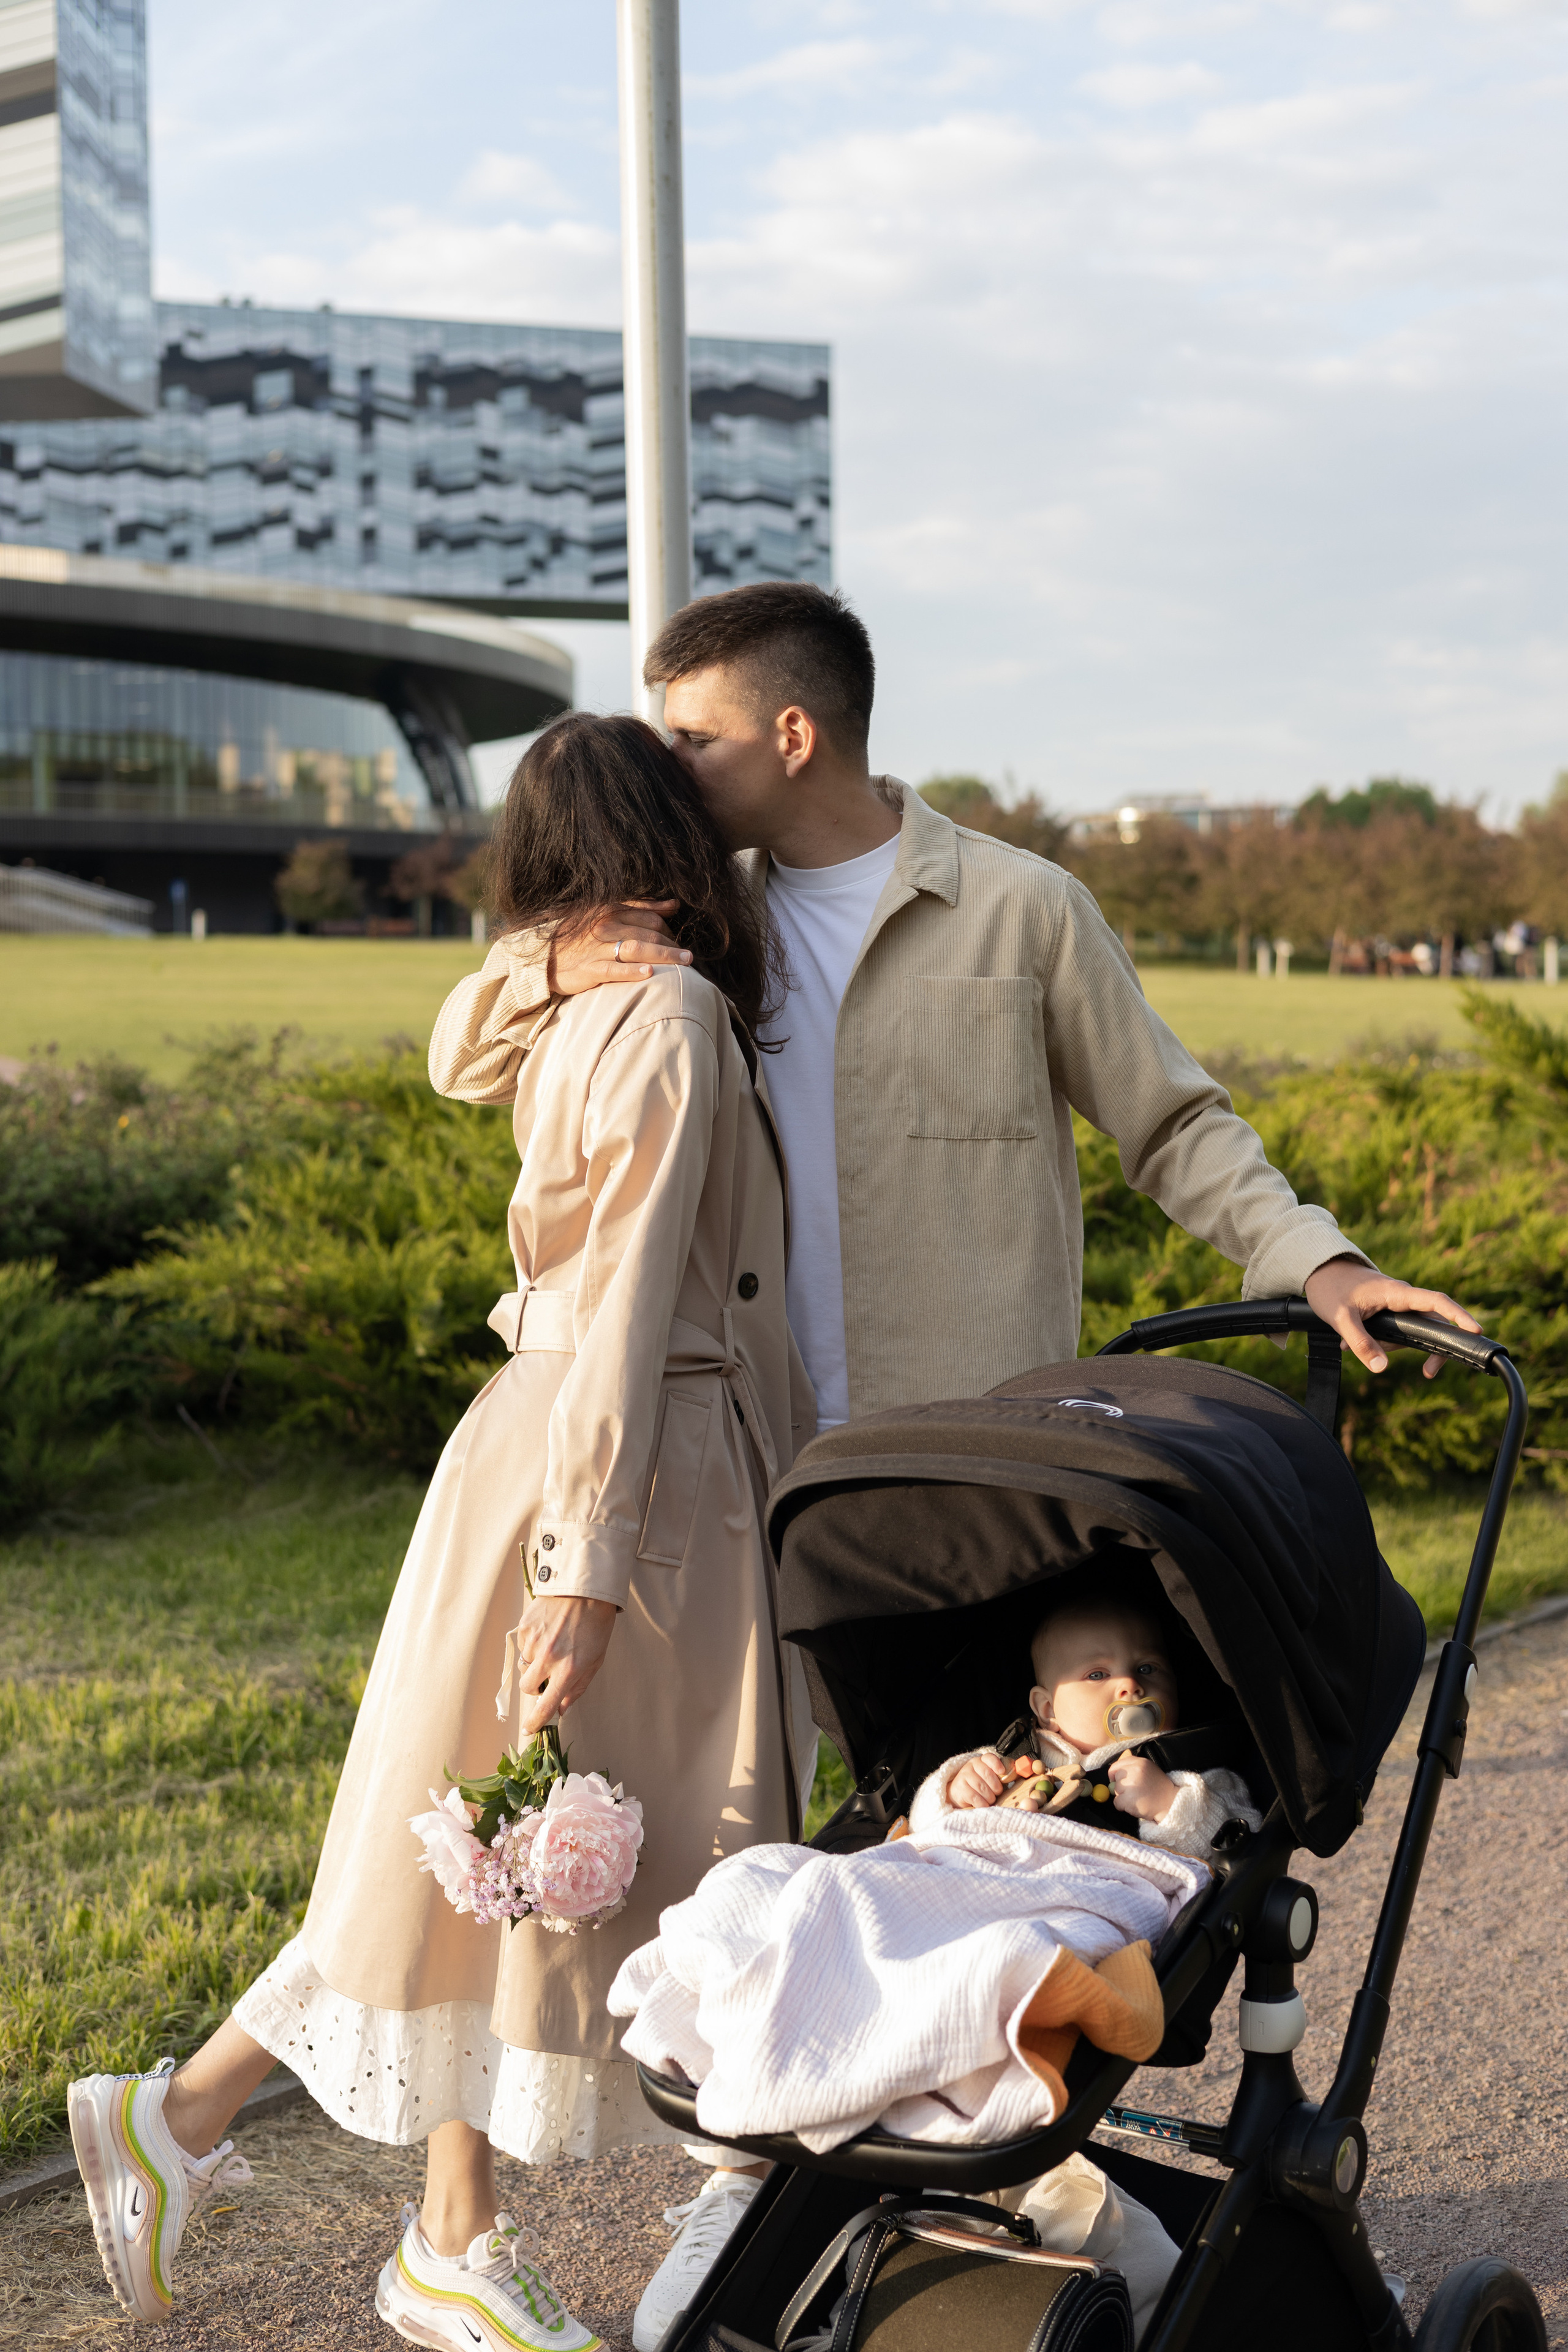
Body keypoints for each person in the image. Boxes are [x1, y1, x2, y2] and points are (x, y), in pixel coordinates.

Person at [415, 578, 1483, 2325]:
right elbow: (468, 1045)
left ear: (790, 733)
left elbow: (1170, 1122)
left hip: (974, 1511)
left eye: (689, 735)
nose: (662, 767)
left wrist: (1320, 1260)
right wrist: (555, 949)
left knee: (966, 1855)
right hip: (767, 1483)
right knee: (791, 1864)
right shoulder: (695, 929)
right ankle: (791, 2214)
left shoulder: (1018, 913)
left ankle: (998, 2204)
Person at [66, 714, 816, 2352]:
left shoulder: (577, 1001)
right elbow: (629, 1299)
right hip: (624, 1457)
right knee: (595, 1852)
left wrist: (556, 952)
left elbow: (455, 1046)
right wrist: (594, 1565)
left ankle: (258, 2154)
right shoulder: (673, 1012)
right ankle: (407, 2210)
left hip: (542, 1442)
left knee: (503, 1844)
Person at [926, 1591, 1262, 1861]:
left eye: (1147, 1668)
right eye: (1097, 1675)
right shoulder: (1013, 1760)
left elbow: (1243, 1838)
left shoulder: (1188, 1770)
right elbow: (927, 1828)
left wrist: (1169, 1805)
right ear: (1048, 1709)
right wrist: (955, 1792)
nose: (1130, 1684)